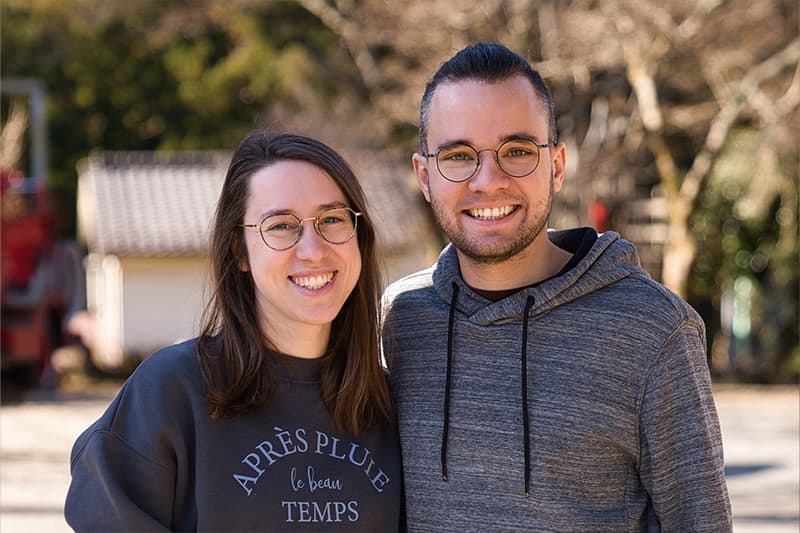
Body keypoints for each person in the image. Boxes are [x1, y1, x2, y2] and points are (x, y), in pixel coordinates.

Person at [381, 43, 732, 531]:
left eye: (518, 151)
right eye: (458, 156)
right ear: (424, 176)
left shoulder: (652, 332)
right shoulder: (399, 318)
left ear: (557, 166)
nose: (489, 180)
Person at [66, 130, 403, 531]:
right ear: (239, 250)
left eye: (331, 219)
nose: (313, 250)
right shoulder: (173, 389)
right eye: (280, 226)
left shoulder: (390, 407)